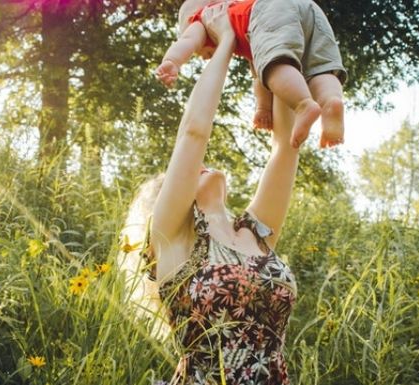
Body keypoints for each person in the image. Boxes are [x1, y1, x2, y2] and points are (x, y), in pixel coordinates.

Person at [122, 4, 299, 383]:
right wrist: (225, 43)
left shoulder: (256, 233)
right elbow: (194, 133)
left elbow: (286, 145)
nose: (200, 165)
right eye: (190, 172)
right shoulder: (172, 237)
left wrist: (270, 44)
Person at [155, 0, 347, 149]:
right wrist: (263, 109)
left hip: (270, 9)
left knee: (275, 66)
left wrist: (172, 61)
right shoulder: (246, 22)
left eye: (200, 54)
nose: (204, 59)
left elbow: (188, 40)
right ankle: (331, 101)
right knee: (320, 67)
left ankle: (303, 104)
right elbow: (259, 76)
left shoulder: (204, 19)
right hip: (308, 8)